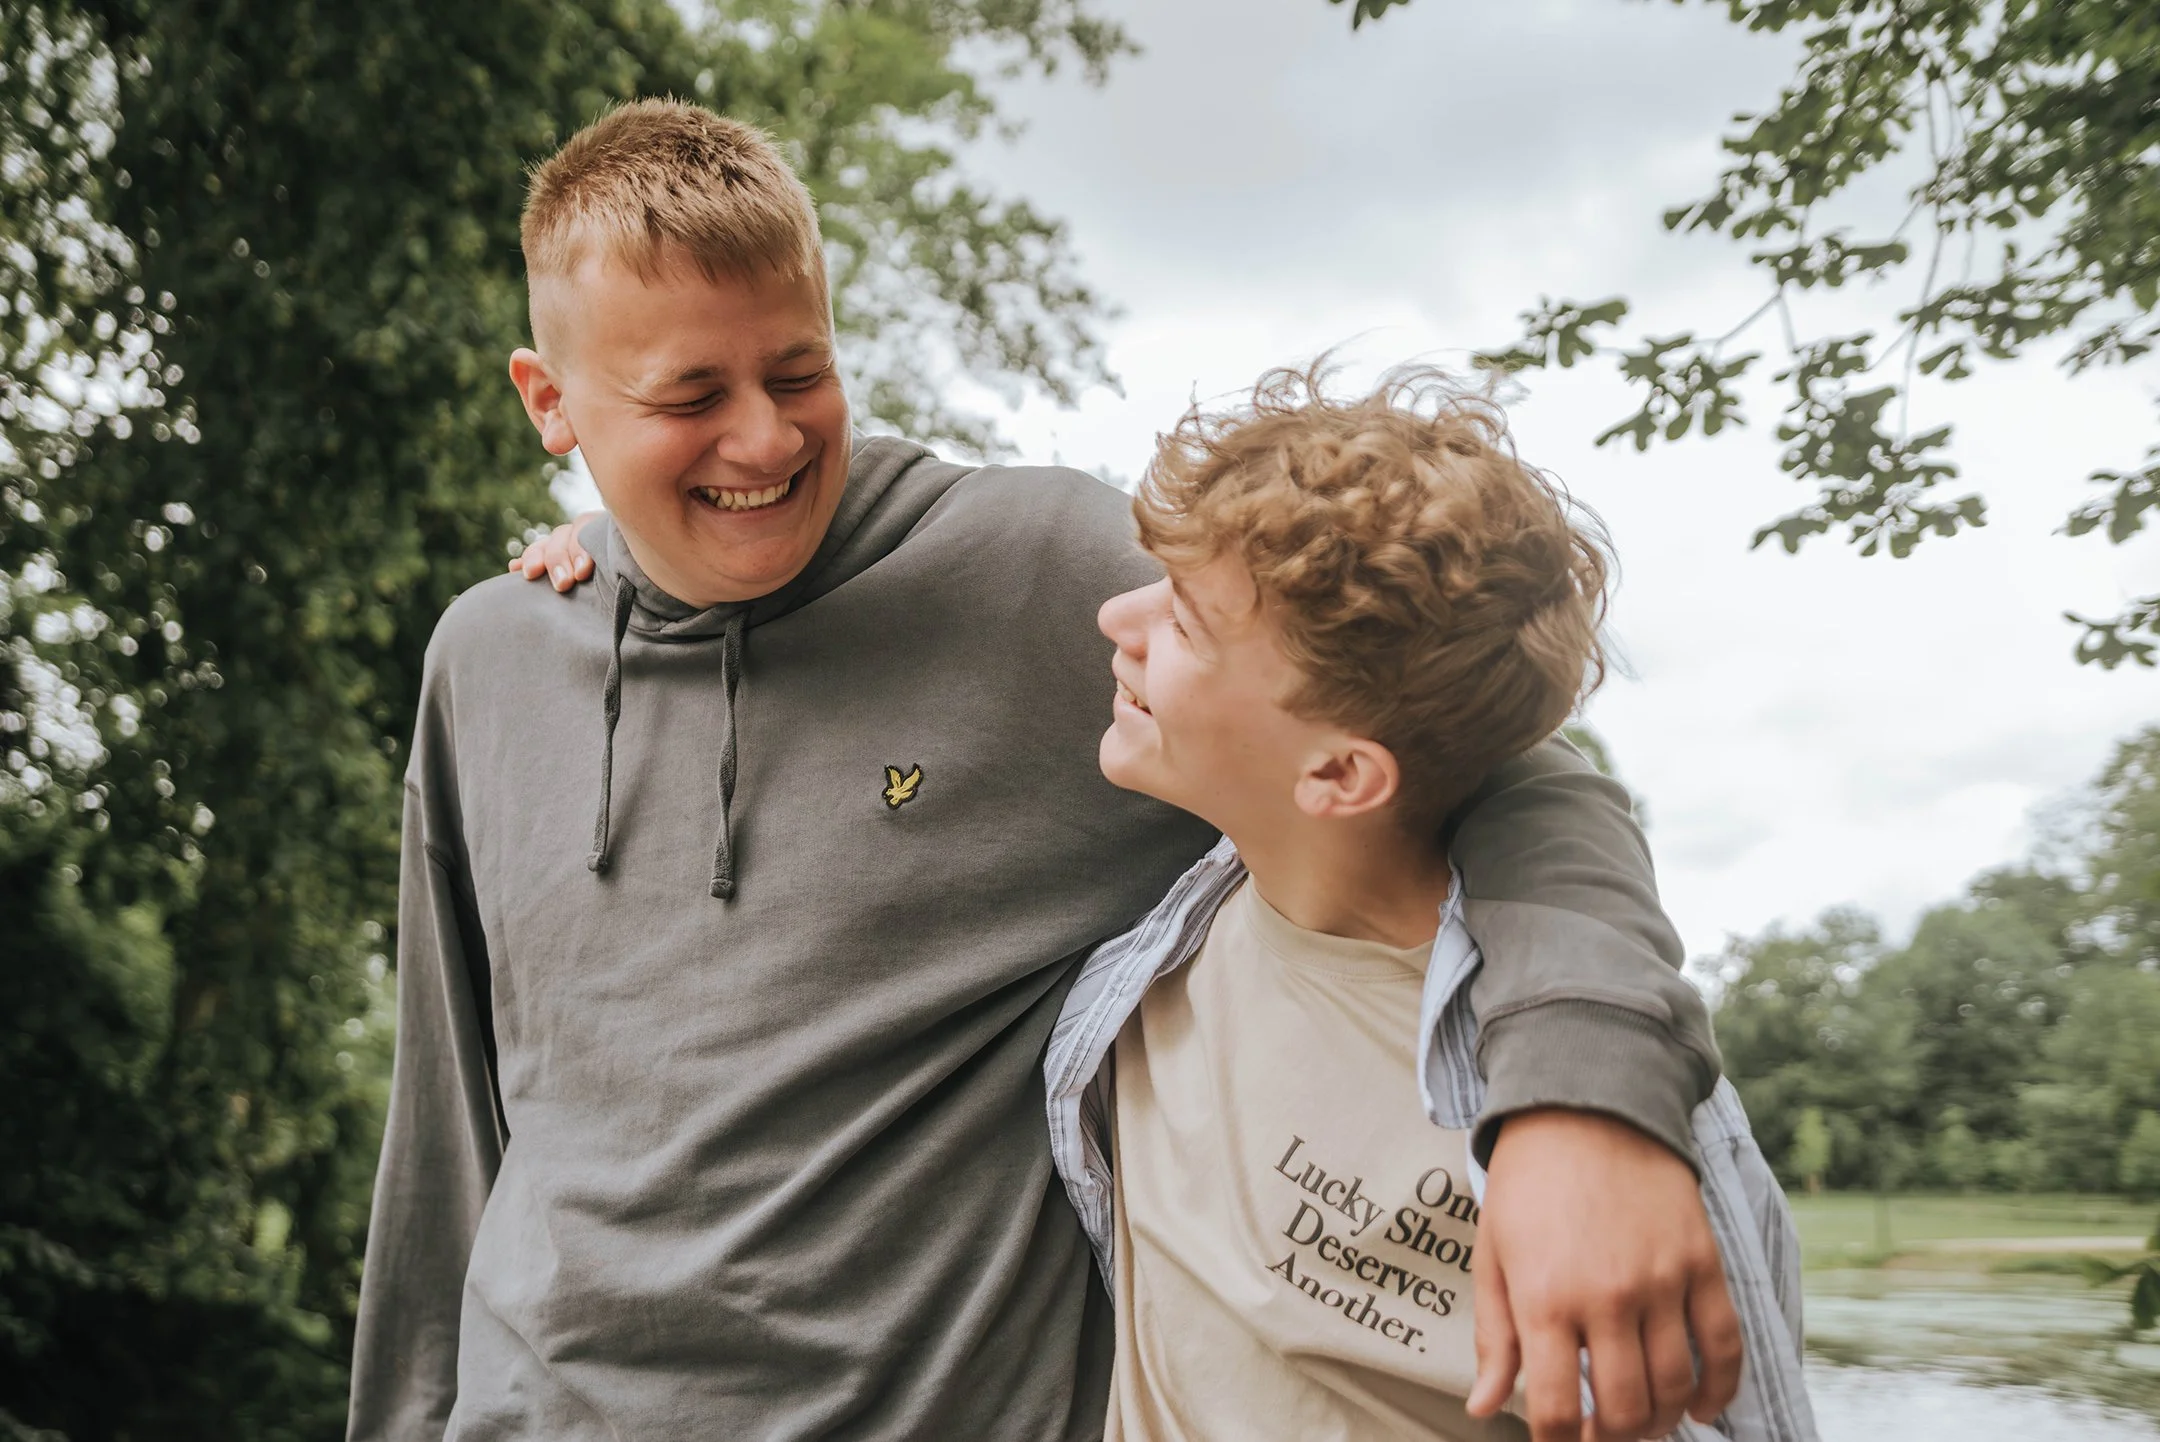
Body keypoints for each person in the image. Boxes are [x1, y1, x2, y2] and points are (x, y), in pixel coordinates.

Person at [351, 98, 1731, 1442]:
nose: (765, 439)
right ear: (552, 402)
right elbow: (449, 1120)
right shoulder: (492, 655)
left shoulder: (1047, 578)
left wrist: (1582, 1102)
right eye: (688, 395)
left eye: (798, 372)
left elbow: (1493, 760)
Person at [1039, 365, 1814, 1441]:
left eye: (1184, 623)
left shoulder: (1606, 1115)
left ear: (1341, 775)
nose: (1116, 617)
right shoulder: (1162, 958)